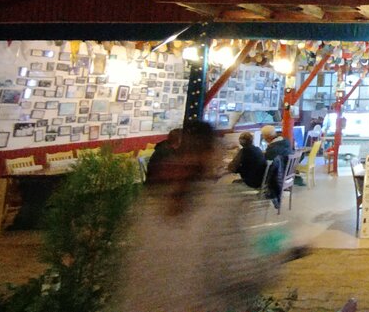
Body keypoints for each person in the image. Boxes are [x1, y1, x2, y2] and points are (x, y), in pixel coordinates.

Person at [115, 121, 311, 312]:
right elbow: (241, 271)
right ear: (210, 154)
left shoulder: (150, 208)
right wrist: (282, 252)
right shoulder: (217, 208)